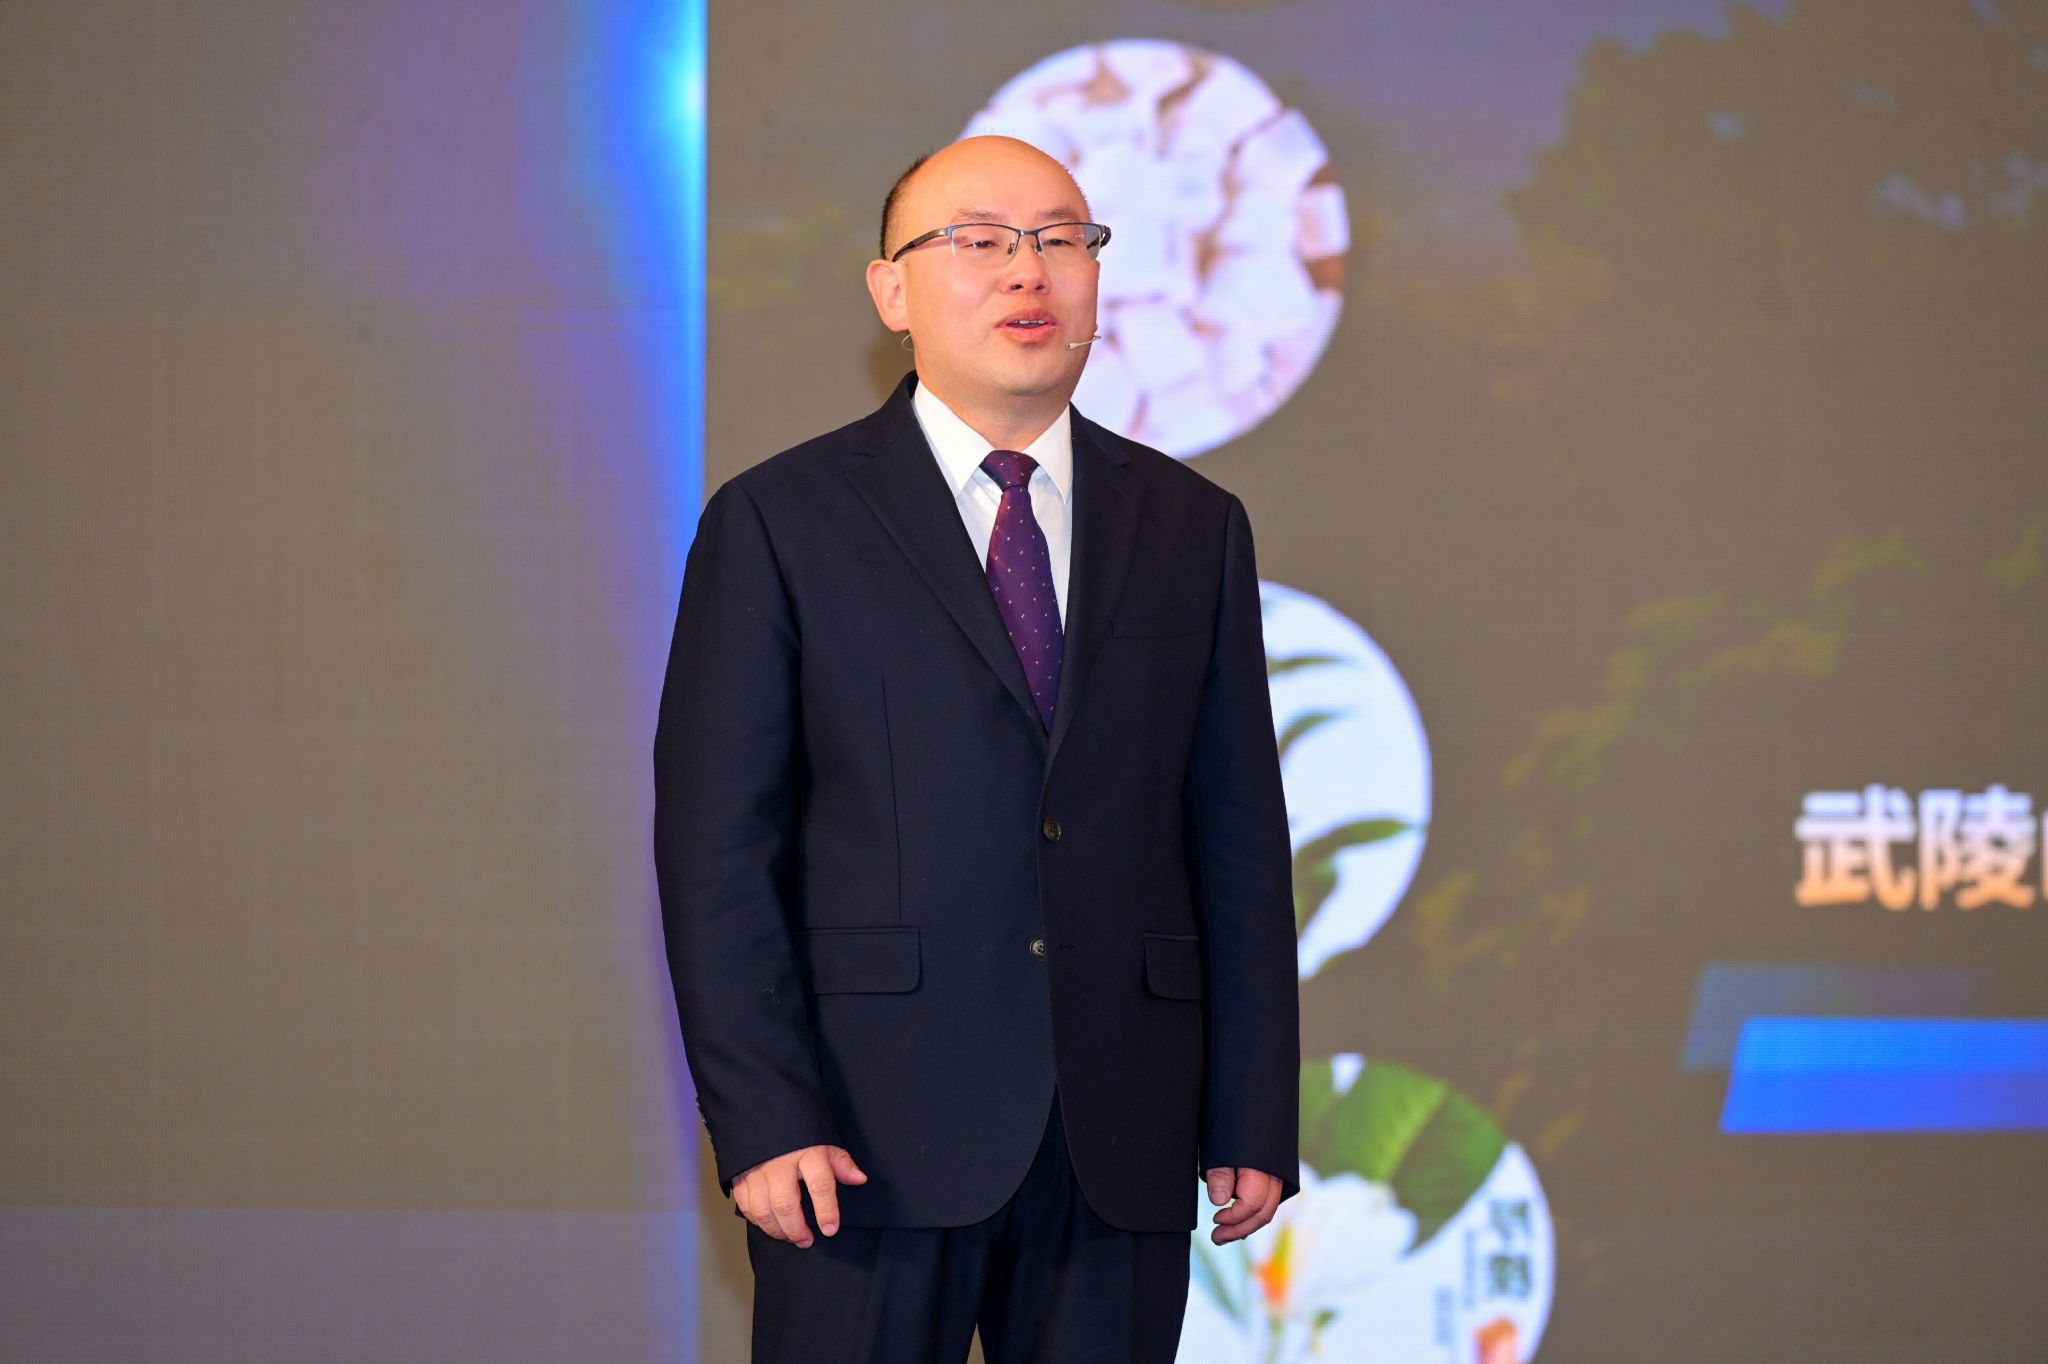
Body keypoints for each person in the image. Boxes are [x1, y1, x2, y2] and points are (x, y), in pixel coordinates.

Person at [653, 135, 1299, 1363]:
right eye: (979, 240)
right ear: (889, 291)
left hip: (1121, 1131)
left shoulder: (1190, 525)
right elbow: (715, 851)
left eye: (1060, 239)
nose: (1027, 270)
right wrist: (764, 1113)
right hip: (858, 1136)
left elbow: (1236, 838)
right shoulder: (778, 521)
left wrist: (1251, 1108)